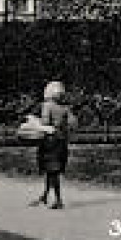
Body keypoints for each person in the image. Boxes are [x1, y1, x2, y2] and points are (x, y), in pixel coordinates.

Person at [31, 80, 77, 209]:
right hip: (61, 142)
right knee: (52, 171)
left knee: (51, 171)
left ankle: (58, 200)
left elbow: (45, 123)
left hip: (49, 142)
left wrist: (36, 124)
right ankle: (45, 196)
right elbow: (73, 123)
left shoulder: (47, 105)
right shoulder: (65, 108)